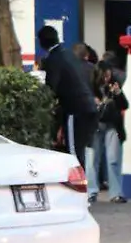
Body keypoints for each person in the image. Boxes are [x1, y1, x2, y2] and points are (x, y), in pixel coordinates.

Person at [38, 25, 98, 183]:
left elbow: (51, 88)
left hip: (75, 110)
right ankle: (88, 186)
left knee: (74, 152)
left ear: (41, 42)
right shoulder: (70, 54)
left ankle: (79, 186)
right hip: (89, 107)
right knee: (84, 150)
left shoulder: (54, 59)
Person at [90, 62, 129, 204]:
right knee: (93, 159)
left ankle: (116, 193)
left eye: (109, 75)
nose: (107, 78)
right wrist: (94, 102)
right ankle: (91, 191)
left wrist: (118, 93)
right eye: (105, 76)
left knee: (113, 159)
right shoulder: (91, 88)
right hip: (95, 126)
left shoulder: (113, 86)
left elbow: (124, 105)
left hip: (112, 125)